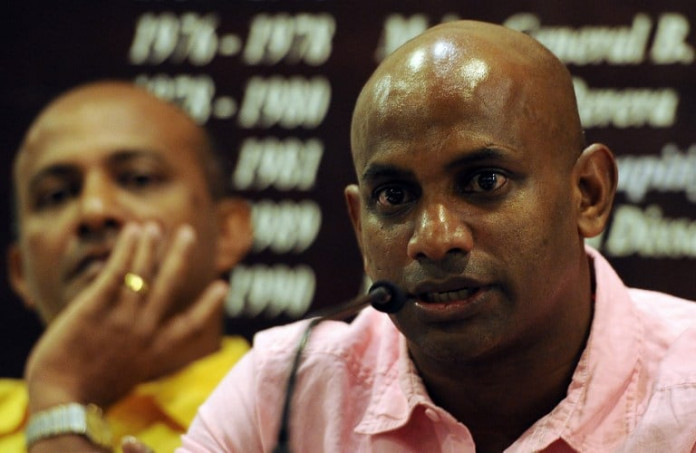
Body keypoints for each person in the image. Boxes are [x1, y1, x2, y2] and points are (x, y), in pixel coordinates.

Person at [178, 20, 696, 452]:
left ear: (588, 193)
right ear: (360, 225)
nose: (434, 238)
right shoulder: (285, 389)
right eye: (394, 197)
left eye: (484, 181)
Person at [1, 81, 253, 452]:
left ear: (227, 232)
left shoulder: (298, 406)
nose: (95, 210)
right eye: (56, 195)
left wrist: (61, 399)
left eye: (138, 179)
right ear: (20, 273)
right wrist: (60, 395)